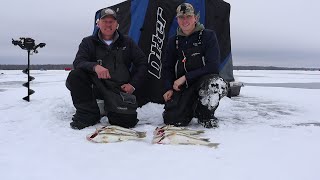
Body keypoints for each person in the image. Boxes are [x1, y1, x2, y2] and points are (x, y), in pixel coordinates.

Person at [66, 8, 148, 130]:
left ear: (117, 24)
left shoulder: (128, 42)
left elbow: (142, 64)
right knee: (75, 75)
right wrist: (95, 66)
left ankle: (112, 108)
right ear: (98, 23)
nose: (108, 24)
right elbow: (78, 62)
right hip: (96, 87)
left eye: (111, 21)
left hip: (118, 89)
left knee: (126, 122)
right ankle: (88, 113)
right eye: (105, 21)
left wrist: (132, 85)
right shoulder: (88, 42)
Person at [162, 3, 229, 128]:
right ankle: (190, 108)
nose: (185, 20)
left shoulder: (208, 36)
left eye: (188, 16)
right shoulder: (173, 41)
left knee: (215, 83)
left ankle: (205, 115)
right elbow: (167, 67)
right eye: (181, 17)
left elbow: (213, 66)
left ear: (195, 18)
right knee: (172, 120)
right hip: (184, 88)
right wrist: (168, 88)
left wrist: (185, 77)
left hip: (202, 83)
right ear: (177, 20)